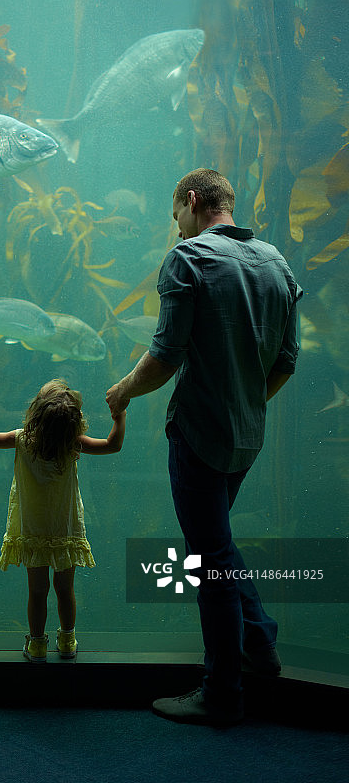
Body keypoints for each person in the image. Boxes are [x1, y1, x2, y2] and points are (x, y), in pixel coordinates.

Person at [106, 169, 302, 726]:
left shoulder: (188, 259)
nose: (177, 227)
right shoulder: (277, 264)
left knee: (208, 559)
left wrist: (120, 392)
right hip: (247, 436)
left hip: (198, 435)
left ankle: (221, 693)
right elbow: (286, 360)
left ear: (192, 202)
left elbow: (166, 357)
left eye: (176, 215)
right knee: (217, 543)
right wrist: (247, 399)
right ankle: (260, 644)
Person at [0, 379, 126, 662]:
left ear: (35, 413)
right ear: (74, 422)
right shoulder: (73, 443)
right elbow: (113, 445)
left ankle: (37, 644)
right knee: (65, 589)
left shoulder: (22, 439)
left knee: (37, 591)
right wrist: (119, 414)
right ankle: (67, 641)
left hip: (33, 530)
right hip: (65, 528)